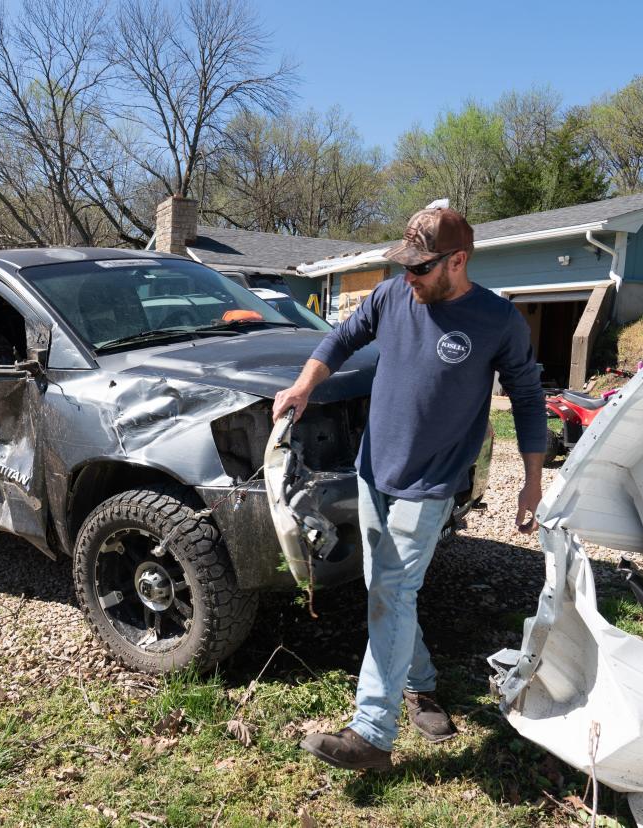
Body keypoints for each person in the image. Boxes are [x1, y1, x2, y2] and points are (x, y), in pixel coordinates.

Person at [273, 204, 547, 771]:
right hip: (375, 468)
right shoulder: (393, 296)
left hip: (433, 480)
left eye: (421, 269)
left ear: (458, 261)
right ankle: (421, 681)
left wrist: (532, 479)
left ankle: (372, 731)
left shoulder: (498, 320)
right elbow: (342, 338)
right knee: (385, 587)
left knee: (391, 591)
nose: (410, 278)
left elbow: (526, 397)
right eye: (406, 266)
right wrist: (303, 385)